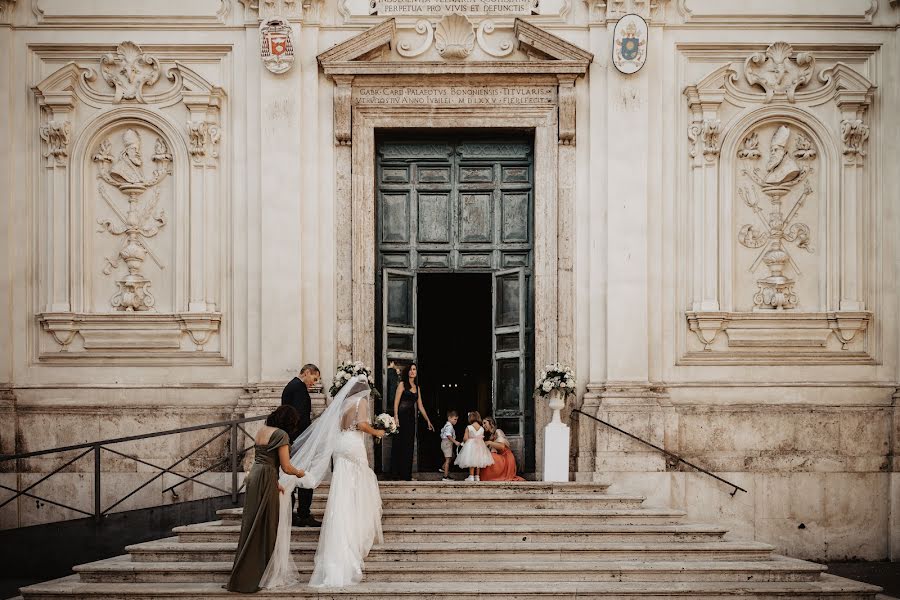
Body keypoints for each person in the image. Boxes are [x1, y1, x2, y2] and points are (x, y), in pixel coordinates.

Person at [260, 375, 385, 589]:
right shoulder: (361, 402)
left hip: (340, 446)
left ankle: (341, 529)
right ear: (364, 390)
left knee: (342, 488)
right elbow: (362, 424)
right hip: (353, 445)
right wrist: (378, 431)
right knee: (359, 486)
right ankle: (355, 528)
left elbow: (339, 427)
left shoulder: (342, 404)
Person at [225, 406, 306, 593]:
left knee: (252, 523)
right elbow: (286, 466)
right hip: (266, 477)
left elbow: (263, 459)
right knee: (267, 524)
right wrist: (300, 473)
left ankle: (244, 572)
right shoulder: (282, 435)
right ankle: (259, 573)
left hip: (256, 475)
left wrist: (275, 481)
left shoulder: (262, 430)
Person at [280, 363, 320, 527]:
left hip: (293, 439)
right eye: (314, 378)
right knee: (302, 475)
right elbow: (297, 417)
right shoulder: (299, 389)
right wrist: (304, 440)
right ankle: (302, 514)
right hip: (298, 441)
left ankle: (294, 514)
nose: (314, 383)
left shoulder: (293, 386)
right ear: (307, 372)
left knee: (292, 476)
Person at [389, 363, 433, 480]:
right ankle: (396, 474)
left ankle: (406, 475)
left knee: (409, 446)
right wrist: (396, 417)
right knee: (399, 445)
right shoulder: (402, 384)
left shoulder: (417, 387)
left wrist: (428, 420)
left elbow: (421, 406)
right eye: (410, 369)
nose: (413, 371)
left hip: (410, 420)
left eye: (414, 369)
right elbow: (396, 403)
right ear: (407, 372)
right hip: (401, 418)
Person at [481, 416, 525, 482]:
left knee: (491, 457)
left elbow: (502, 446)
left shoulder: (498, 431)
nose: (483, 426)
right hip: (500, 457)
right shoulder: (491, 436)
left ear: (491, 423)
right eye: (482, 424)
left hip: (506, 458)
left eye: (485, 423)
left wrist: (490, 443)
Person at [454, 411, 494, 482]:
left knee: (471, 460)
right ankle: (477, 476)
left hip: (471, 445)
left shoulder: (469, 427)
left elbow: (465, 438)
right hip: (480, 446)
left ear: (470, 418)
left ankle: (471, 476)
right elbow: (482, 438)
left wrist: (464, 441)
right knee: (478, 461)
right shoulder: (481, 428)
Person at [439, 410, 462, 481]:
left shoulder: (447, 425)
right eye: (454, 419)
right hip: (447, 443)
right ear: (449, 418)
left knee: (452, 456)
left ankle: (443, 468)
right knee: (448, 460)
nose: (456, 421)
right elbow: (448, 435)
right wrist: (455, 442)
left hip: (445, 443)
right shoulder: (449, 426)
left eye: (457, 419)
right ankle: (445, 477)